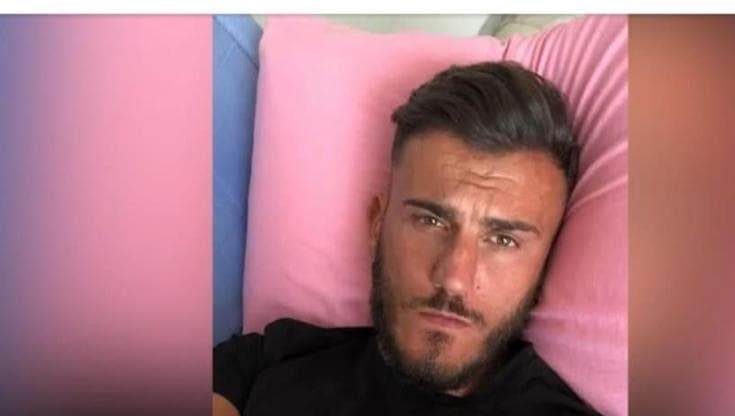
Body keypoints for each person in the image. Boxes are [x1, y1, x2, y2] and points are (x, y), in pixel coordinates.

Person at [213, 61, 599, 415]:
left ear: (545, 264)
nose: (454, 277)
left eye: (503, 240)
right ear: (378, 224)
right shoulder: (263, 364)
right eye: (430, 221)